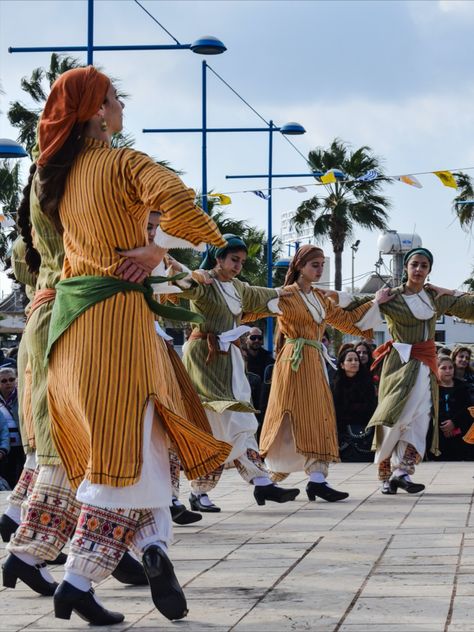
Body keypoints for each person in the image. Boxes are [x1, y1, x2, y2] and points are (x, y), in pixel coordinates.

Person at [22, 66, 230, 625]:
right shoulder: (121, 163)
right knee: (129, 448)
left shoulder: (56, 178)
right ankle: (80, 577)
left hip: (69, 327)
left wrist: (153, 245)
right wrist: (157, 249)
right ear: (95, 111)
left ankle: (148, 548)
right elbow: (179, 199)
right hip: (117, 321)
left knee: (126, 445)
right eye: (115, 99)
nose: (121, 108)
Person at [168, 234, 300, 511]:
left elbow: (259, 294)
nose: (238, 265)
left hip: (229, 361)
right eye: (233, 259)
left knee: (231, 422)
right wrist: (183, 270)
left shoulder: (237, 287)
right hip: (205, 357)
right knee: (218, 421)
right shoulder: (206, 282)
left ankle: (241, 486)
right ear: (219, 258)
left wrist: (282, 292)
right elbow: (186, 283)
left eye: (241, 261)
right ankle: (255, 483)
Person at [259, 245, 390, 502]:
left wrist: (376, 302)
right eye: (314, 265)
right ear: (299, 266)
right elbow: (253, 304)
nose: (319, 270)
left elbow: (346, 320)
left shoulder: (319, 298)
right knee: (288, 414)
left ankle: (317, 479)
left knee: (320, 414)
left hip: (314, 361)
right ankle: (269, 475)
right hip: (294, 360)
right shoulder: (284, 295)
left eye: (321, 265)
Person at [367, 248, 474, 494]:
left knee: (421, 417)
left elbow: (470, 306)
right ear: (406, 267)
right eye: (414, 264)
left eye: (424, 265)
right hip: (398, 364)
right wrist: (375, 302)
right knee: (393, 415)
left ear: (429, 270)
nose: (418, 269)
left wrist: (453, 292)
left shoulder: (435, 297)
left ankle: (402, 472)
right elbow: (357, 316)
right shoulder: (391, 297)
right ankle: (384, 473)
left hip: (426, 364)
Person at [332, 348, 376, 462]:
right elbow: (336, 410)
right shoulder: (336, 385)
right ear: (342, 365)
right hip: (342, 432)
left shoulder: (367, 383)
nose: (354, 362)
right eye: (350, 360)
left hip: (364, 430)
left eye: (356, 360)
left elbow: (370, 408)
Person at [429, 356, 473, 461]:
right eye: (444, 368)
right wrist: (444, 426)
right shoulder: (431, 388)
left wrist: (454, 422)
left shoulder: (462, 387)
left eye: (450, 367)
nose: (448, 371)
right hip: (436, 436)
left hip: (459, 436)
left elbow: (468, 409)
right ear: (436, 369)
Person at [0, 368, 24, 489]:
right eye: (3, 381)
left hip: (22, 445)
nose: (8, 383)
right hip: (5, 450)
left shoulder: (22, 396)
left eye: (11, 379)